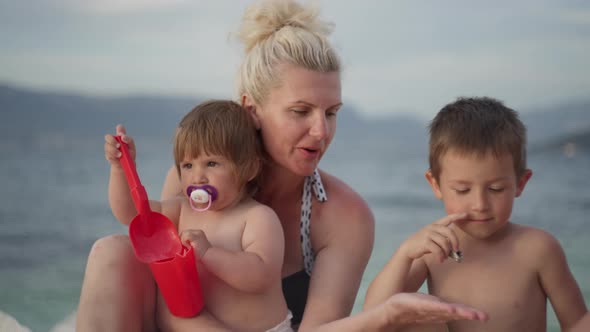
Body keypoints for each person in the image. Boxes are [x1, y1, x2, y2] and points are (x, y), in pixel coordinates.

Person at [76, 1, 488, 331]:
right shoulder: (194, 181)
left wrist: (384, 314)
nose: (321, 131)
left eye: (331, 113)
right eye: (300, 111)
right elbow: (145, 240)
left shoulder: (344, 216)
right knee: (112, 252)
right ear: (251, 110)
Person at [364, 97, 588, 331]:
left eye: (496, 189)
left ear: (520, 183)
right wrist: (404, 254)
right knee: (417, 318)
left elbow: (577, 323)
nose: (480, 204)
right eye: (463, 190)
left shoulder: (538, 248)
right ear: (436, 184)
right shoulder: (433, 251)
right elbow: (373, 316)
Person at [104, 100, 293, 332]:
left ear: (250, 169)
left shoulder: (257, 218)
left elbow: (260, 276)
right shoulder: (182, 210)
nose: (198, 177)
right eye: (187, 166)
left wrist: (209, 253)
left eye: (212, 163)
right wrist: (121, 169)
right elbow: (131, 214)